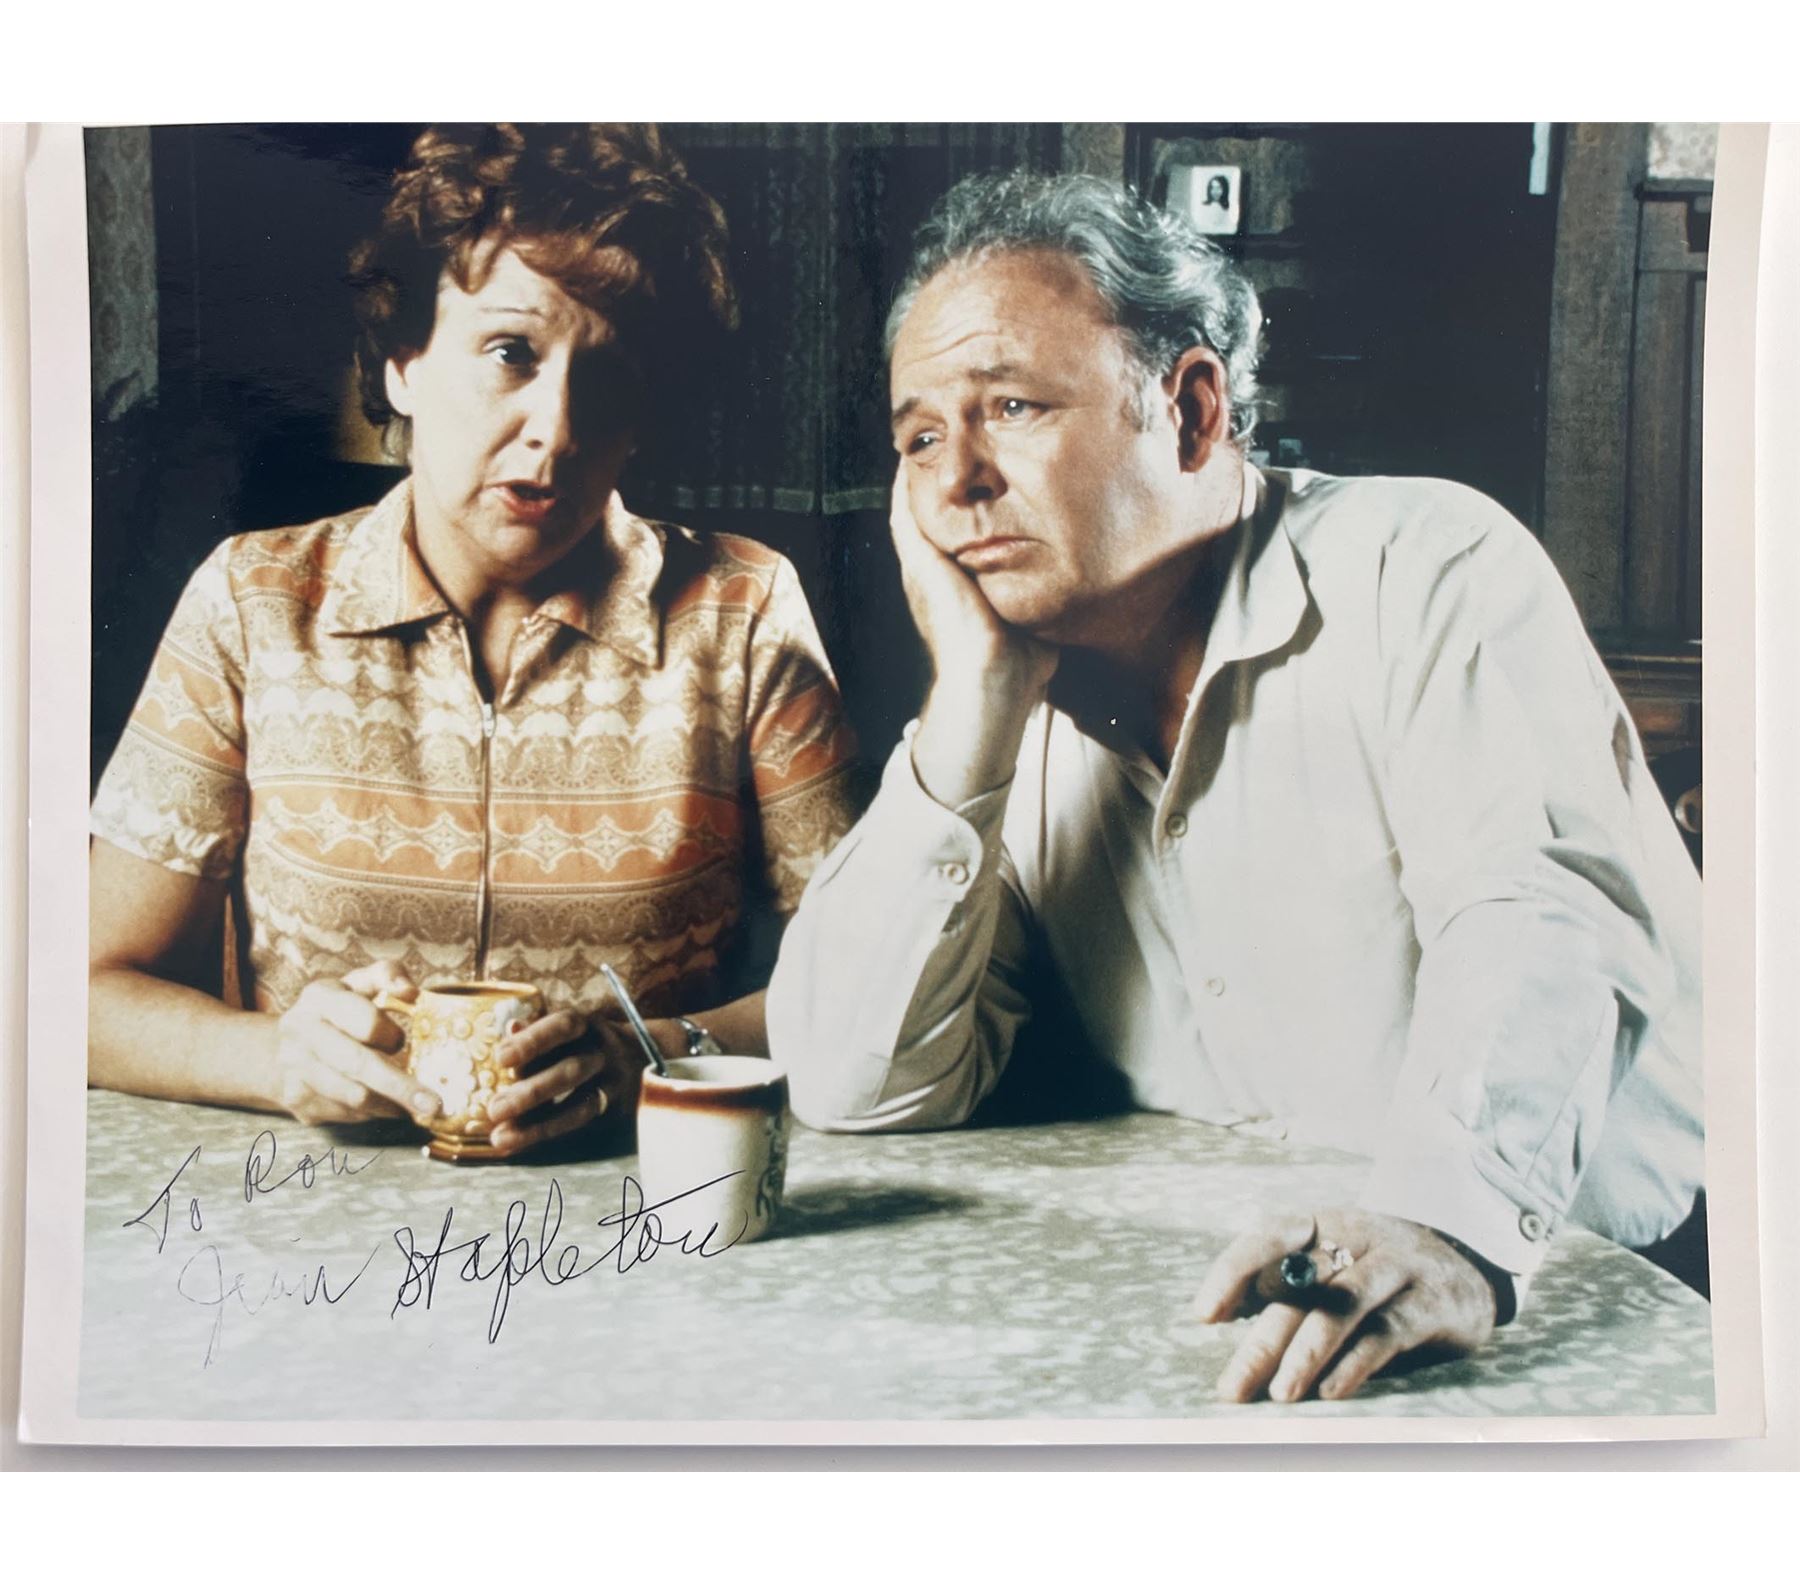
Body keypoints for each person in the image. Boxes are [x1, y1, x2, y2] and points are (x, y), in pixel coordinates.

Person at [766, 172, 1703, 1402]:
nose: (956, 481)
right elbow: (856, 1086)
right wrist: (972, 707)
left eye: (1011, 406)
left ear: (1192, 409)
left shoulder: (1426, 567)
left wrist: (1449, 1220)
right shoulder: (1002, 701)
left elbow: (1540, 916)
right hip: (1263, 1318)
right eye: (921, 438)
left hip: (1588, 1289)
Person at [89, 123, 858, 1155]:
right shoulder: (254, 602)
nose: (558, 427)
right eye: (510, 353)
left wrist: (646, 1054)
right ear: (402, 363)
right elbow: (85, 991)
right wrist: (276, 1060)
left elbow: (866, 981)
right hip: (312, 1216)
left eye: (610, 375)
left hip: (638, 1208)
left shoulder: (743, 611)